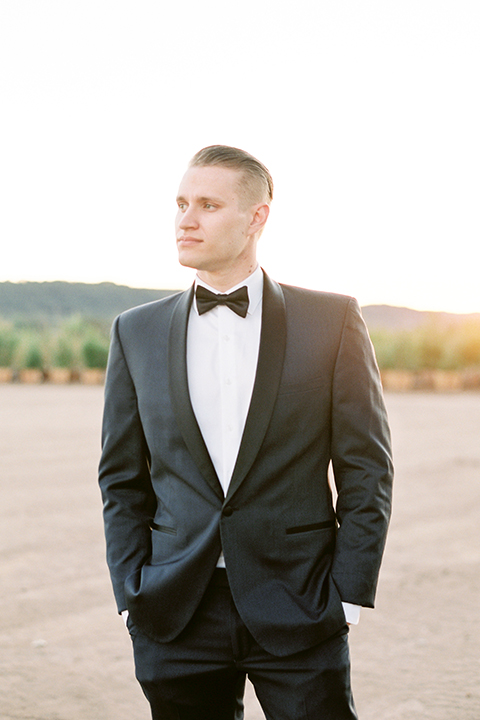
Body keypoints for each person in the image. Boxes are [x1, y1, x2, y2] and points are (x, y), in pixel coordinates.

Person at [99, 145, 393, 720]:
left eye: (208, 205)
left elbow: (367, 469)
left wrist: (347, 598)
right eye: (181, 203)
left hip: (301, 603)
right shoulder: (135, 331)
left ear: (257, 217)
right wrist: (132, 591)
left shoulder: (331, 321)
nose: (186, 220)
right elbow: (121, 477)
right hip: (175, 611)